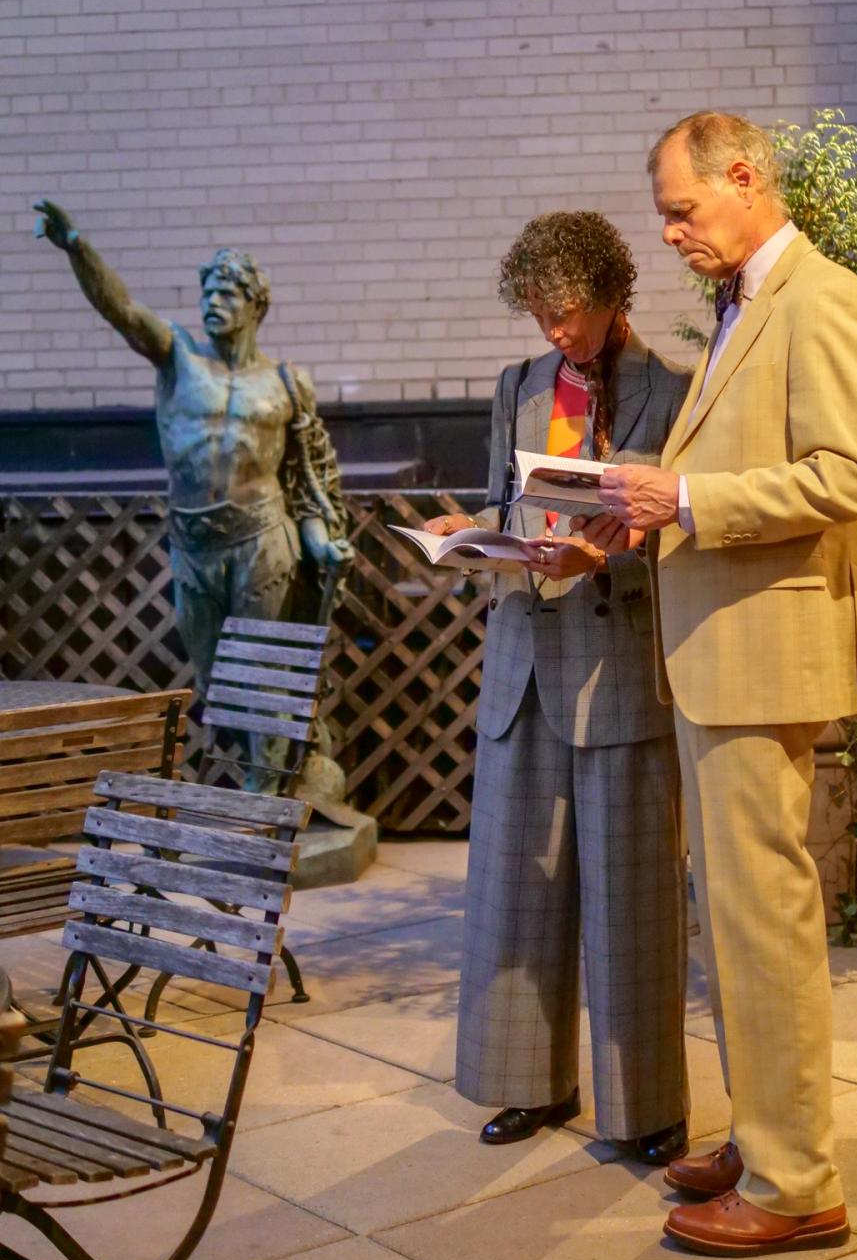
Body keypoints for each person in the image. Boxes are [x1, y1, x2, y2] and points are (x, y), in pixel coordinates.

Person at [577, 113, 857, 1254]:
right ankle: (768, 1136)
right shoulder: (744, 305)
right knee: (742, 923)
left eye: (681, 209)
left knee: (764, 928)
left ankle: (798, 1185)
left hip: (765, 659)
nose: (667, 234)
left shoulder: (822, 299)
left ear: (745, 178)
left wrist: (689, 503)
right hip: (722, 657)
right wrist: (647, 499)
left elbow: (848, 476)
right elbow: (740, 457)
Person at [425, 212, 691, 1162]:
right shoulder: (518, 387)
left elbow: (677, 525)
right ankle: (530, 1083)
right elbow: (510, 504)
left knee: (631, 898)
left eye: (567, 314)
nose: (554, 333)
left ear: (613, 294)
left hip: (619, 664)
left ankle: (647, 1106)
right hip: (524, 665)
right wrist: (471, 528)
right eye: (540, 314)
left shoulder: (674, 389)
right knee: (513, 894)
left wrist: (613, 548)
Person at [33, 199, 351, 789]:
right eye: (208, 290)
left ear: (256, 305)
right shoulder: (177, 356)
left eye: (228, 292)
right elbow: (122, 310)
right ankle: (279, 771)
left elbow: (307, 480)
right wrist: (75, 244)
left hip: (264, 540)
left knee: (262, 669)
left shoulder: (286, 381)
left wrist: (320, 540)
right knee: (214, 680)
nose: (212, 301)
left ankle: (265, 799)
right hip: (196, 542)